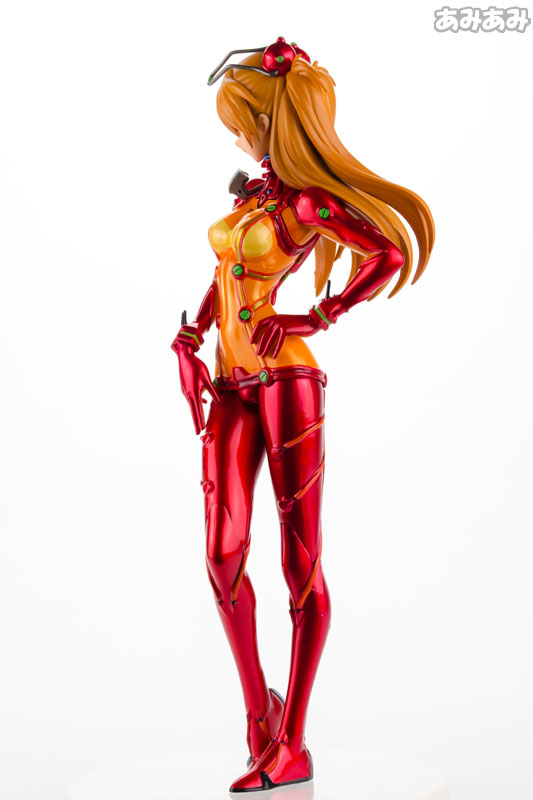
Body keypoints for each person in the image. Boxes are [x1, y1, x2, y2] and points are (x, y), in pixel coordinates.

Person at [172, 37, 435, 793]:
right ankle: (260, 716)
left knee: (300, 563)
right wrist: (190, 336)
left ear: (272, 121)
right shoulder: (255, 199)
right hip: (230, 382)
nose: (234, 138)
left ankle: (293, 744)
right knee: (222, 556)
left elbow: (386, 253)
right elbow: (225, 273)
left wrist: (317, 316)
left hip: (287, 380)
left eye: (241, 124)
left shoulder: (305, 204)